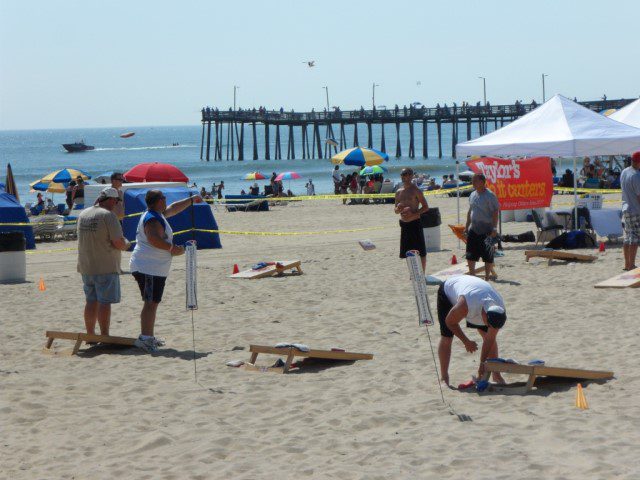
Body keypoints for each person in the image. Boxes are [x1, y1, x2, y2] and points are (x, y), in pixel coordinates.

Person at [129, 190, 203, 353]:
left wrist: (191, 200)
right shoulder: (152, 218)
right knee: (150, 302)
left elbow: (174, 208)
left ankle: (148, 336)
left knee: (153, 302)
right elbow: (153, 238)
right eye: (163, 198)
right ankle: (145, 338)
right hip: (147, 267)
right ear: (157, 201)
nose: (166, 200)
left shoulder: (157, 213)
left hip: (154, 267)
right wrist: (172, 248)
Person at [76, 187, 130, 336]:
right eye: (117, 201)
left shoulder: (84, 213)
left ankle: (90, 334)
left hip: (86, 266)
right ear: (112, 200)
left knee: (91, 301)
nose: (118, 204)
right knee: (104, 302)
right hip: (105, 266)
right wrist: (127, 244)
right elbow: (118, 243)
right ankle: (104, 335)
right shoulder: (108, 216)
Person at [436, 275, 507, 386]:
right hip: (448, 292)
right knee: (447, 336)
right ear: (484, 314)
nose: (490, 328)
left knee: (488, 336)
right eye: (488, 324)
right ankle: (444, 378)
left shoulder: (499, 309)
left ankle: (496, 375)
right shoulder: (466, 305)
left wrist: (482, 364)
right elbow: (449, 322)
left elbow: (489, 340)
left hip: (475, 291)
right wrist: (466, 342)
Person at [465, 174, 500, 281]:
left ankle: (487, 277)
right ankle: (472, 275)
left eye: (475, 180)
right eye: (472, 180)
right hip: (473, 228)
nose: (473, 182)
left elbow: (495, 212)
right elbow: (470, 211)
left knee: (487, 255)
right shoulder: (472, 195)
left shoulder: (490, 196)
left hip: (487, 230)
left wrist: (494, 229)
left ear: (482, 182)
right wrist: (466, 227)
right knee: (470, 253)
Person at [394, 168, 429, 271]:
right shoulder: (398, 192)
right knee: (408, 251)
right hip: (404, 224)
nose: (407, 176)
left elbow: (425, 207)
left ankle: (422, 273)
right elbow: (395, 210)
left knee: (420, 250)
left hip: (415, 223)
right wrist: (398, 209)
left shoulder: (416, 190)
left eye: (409, 174)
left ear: (412, 176)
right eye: (405, 174)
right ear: (401, 176)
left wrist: (414, 214)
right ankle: (413, 273)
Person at [621, 151, 640, 271]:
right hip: (635, 209)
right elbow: (639, 196)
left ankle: (627, 264)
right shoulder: (636, 175)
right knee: (635, 238)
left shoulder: (624, 171)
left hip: (625, 207)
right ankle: (631, 264)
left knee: (627, 237)